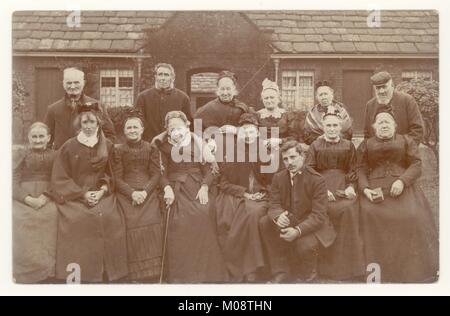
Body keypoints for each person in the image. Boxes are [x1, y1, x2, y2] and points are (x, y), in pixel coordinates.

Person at [49, 104, 128, 283]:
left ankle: (109, 272)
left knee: (111, 218)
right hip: (75, 197)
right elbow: (60, 177)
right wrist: (82, 194)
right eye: (85, 122)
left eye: (92, 121)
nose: (88, 125)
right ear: (80, 124)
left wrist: (101, 191)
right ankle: (80, 274)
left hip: (103, 194)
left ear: (98, 123)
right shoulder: (69, 146)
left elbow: (112, 174)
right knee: (79, 220)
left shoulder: (107, 145)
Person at [357, 110, 438, 283]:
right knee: (368, 213)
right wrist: (365, 189)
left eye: (387, 122)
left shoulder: (406, 140)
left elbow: (416, 164)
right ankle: (377, 273)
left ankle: (412, 271)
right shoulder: (366, 144)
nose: (384, 125)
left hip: (403, 187)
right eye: (380, 122)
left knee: (411, 216)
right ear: (374, 127)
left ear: (394, 126)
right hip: (374, 189)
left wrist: (402, 181)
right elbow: (360, 169)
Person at [155, 111, 228, 283]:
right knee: (177, 220)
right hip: (175, 187)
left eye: (179, 126)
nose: (176, 131)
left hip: (197, 185)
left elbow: (211, 169)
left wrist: (204, 186)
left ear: (187, 126)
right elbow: (160, 172)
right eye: (172, 128)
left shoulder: (198, 142)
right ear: (167, 130)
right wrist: (167, 188)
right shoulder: (163, 146)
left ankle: (206, 272)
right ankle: (181, 274)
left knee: (203, 213)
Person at [259, 141, 336, 283]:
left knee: (305, 245)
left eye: (293, 157)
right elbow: (273, 202)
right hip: (291, 219)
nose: (289, 162)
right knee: (265, 223)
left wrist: (298, 231)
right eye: (285, 159)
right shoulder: (279, 177)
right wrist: (278, 216)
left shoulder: (317, 179)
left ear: (302, 156)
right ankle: (281, 271)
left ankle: (309, 275)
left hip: (311, 226)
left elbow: (319, 216)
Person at [306, 114, 365, 281]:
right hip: (321, 186)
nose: (332, 129)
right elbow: (309, 169)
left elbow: (353, 169)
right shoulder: (315, 145)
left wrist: (351, 187)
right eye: (328, 125)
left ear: (340, 128)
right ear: (323, 127)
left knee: (349, 210)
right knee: (325, 211)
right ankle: (325, 267)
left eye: (335, 125)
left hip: (343, 185)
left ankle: (349, 268)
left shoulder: (348, 145)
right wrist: (321, 190)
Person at [215, 113, 271, 283]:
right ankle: (240, 268)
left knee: (252, 214)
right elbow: (223, 183)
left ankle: (253, 268)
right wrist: (244, 193)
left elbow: (274, 180)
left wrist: (265, 192)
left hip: (261, 196)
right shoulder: (231, 152)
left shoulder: (266, 151)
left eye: (251, 131)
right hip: (236, 194)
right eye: (244, 131)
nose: (248, 135)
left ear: (258, 133)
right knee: (231, 217)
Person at [113, 112, 162, 282]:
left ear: (142, 129)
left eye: (135, 127)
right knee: (130, 221)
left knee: (152, 218)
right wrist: (132, 193)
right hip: (126, 193)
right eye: (129, 127)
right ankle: (132, 272)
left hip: (148, 192)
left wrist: (145, 192)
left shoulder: (151, 148)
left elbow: (156, 175)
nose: (132, 130)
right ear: (124, 131)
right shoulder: (118, 150)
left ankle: (152, 272)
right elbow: (116, 178)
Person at [12, 122, 58, 283]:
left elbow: (58, 180)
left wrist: (46, 197)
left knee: (53, 216)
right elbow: (12, 180)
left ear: (48, 138)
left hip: (48, 196)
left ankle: (48, 270)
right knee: (17, 217)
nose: (38, 140)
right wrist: (27, 199)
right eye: (34, 137)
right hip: (25, 196)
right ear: (28, 138)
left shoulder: (55, 155)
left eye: (41, 136)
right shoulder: (21, 155)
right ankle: (25, 271)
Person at [45, 67, 116, 150]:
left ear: (84, 83)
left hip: (89, 159)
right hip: (62, 159)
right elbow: (46, 139)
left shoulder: (97, 106)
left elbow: (110, 136)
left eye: (76, 82)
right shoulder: (53, 109)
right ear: (63, 84)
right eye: (69, 83)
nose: (72, 86)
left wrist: (99, 152)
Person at [136, 63, 193, 143]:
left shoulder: (183, 98)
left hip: (174, 145)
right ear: (155, 77)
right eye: (160, 74)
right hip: (149, 144)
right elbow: (138, 123)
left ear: (172, 78)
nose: (163, 78)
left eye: (166, 75)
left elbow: (187, 124)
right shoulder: (143, 97)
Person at [363, 71, 424, 144]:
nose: (381, 91)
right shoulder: (370, 105)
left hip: (403, 153)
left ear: (392, 86)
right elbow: (367, 134)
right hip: (377, 153)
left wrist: (404, 148)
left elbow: (417, 130)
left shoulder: (407, 101)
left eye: (384, 87)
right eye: (378, 88)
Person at [305, 80, 353, 145]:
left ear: (332, 95)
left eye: (326, 94)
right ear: (317, 97)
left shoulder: (341, 111)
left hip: (339, 147)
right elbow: (307, 137)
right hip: (319, 147)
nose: (324, 97)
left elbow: (348, 133)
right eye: (321, 95)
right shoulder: (312, 114)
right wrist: (320, 138)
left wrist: (334, 137)